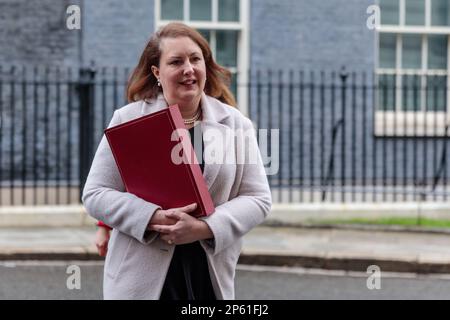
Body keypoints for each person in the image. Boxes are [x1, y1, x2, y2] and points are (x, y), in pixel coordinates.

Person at [82, 22, 272, 300]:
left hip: (207, 275)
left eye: (196, 59)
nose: (189, 69)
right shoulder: (128, 119)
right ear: (157, 72)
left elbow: (258, 198)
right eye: (176, 61)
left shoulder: (236, 124)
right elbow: (95, 194)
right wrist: (152, 217)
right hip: (140, 279)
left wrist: (205, 228)